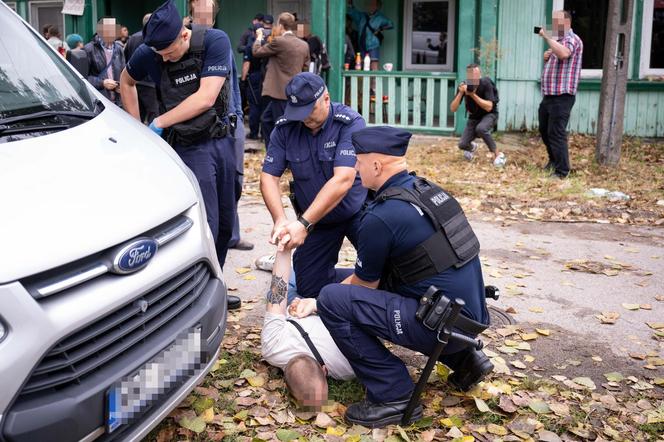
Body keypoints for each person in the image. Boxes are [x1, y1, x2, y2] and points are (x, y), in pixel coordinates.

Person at [289, 126, 493, 427]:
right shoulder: (427, 191)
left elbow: (364, 285)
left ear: (376, 165)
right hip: (465, 317)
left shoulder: (382, 216)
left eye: (359, 162)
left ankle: (393, 394)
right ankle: (465, 360)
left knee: (333, 298)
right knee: (336, 282)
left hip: (440, 324)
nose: (356, 169)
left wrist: (316, 302)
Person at [120, 0, 241, 309]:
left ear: (184, 36)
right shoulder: (151, 51)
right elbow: (126, 80)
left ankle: (216, 281)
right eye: (159, 54)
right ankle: (199, 297)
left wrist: (157, 123)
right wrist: (136, 127)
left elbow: (206, 97)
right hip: (188, 145)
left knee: (226, 224)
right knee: (208, 223)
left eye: (169, 53)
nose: (164, 58)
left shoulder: (215, 41)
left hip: (221, 139)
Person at [261, 72, 367, 299]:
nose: (305, 117)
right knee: (309, 287)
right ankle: (357, 283)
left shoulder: (349, 123)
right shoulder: (285, 128)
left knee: (387, 266)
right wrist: (280, 219)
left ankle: (368, 279)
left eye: (310, 109)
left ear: (326, 99)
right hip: (318, 218)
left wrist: (302, 223)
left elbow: (343, 179)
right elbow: (269, 177)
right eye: (299, 112)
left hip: (357, 212)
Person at [262, 245, 354, 408]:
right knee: (291, 282)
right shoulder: (271, 349)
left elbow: (277, 293)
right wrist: (284, 248)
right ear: (324, 370)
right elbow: (278, 290)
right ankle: (286, 267)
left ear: (325, 371)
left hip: (309, 303)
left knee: (295, 282)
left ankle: (285, 267)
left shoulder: (347, 368)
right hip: (331, 300)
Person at [252, 12, 309, 148]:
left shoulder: (279, 41)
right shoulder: (304, 45)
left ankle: (281, 156)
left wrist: (259, 37)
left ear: (281, 26)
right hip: (294, 91)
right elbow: (306, 68)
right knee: (266, 120)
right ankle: (273, 151)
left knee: (281, 125)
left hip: (279, 92)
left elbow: (257, 52)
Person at [537, 10, 583, 179]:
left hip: (562, 96)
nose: (554, 25)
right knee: (544, 130)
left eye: (557, 21)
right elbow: (558, 56)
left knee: (556, 133)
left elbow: (564, 54)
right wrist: (547, 56)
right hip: (549, 95)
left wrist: (546, 37)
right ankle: (554, 161)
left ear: (567, 22)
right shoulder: (559, 41)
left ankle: (562, 171)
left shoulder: (572, 39)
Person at [450, 64, 505, 167]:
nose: (474, 78)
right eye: (471, 75)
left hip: (490, 115)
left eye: (476, 74)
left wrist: (472, 95)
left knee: (481, 128)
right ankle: (472, 148)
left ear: (480, 74)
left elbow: (489, 107)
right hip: (473, 118)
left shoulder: (486, 83)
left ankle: (498, 154)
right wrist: (461, 93)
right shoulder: (464, 85)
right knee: (462, 144)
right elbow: (453, 108)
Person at [124, 14, 160, 124]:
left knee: (137, 113)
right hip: (149, 82)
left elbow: (126, 56)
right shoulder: (155, 37)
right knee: (154, 113)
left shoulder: (132, 38)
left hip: (133, 80)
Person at [84, 18, 125, 107]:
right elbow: (82, 77)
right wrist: (102, 83)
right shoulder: (89, 49)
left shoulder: (119, 48)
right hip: (99, 102)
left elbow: (123, 72)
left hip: (118, 102)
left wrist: (121, 85)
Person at [346, 0, 393, 72]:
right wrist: (350, 4)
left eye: (373, 4)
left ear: (377, 6)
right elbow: (352, 12)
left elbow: (391, 24)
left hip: (373, 45)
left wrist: (380, 29)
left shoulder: (380, 17)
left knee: (374, 66)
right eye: (369, 4)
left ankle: (374, 83)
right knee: (360, 66)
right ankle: (361, 83)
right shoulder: (362, 16)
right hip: (362, 45)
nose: (370, 6)